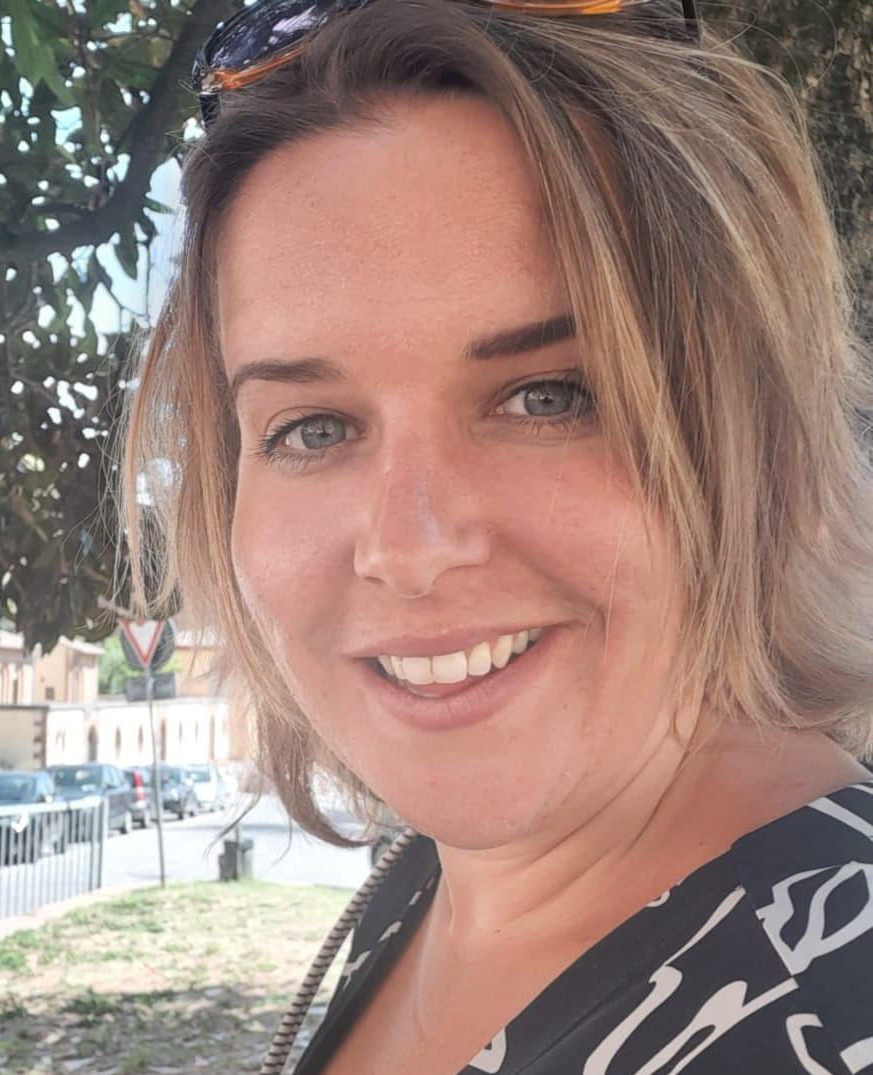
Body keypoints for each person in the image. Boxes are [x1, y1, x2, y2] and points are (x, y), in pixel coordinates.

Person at [121, 0, 873, 1071]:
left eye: (548, 396)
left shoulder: (832, 1006)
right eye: (313, 428)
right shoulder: (432, 879)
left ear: (755, 435)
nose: (409, 547)